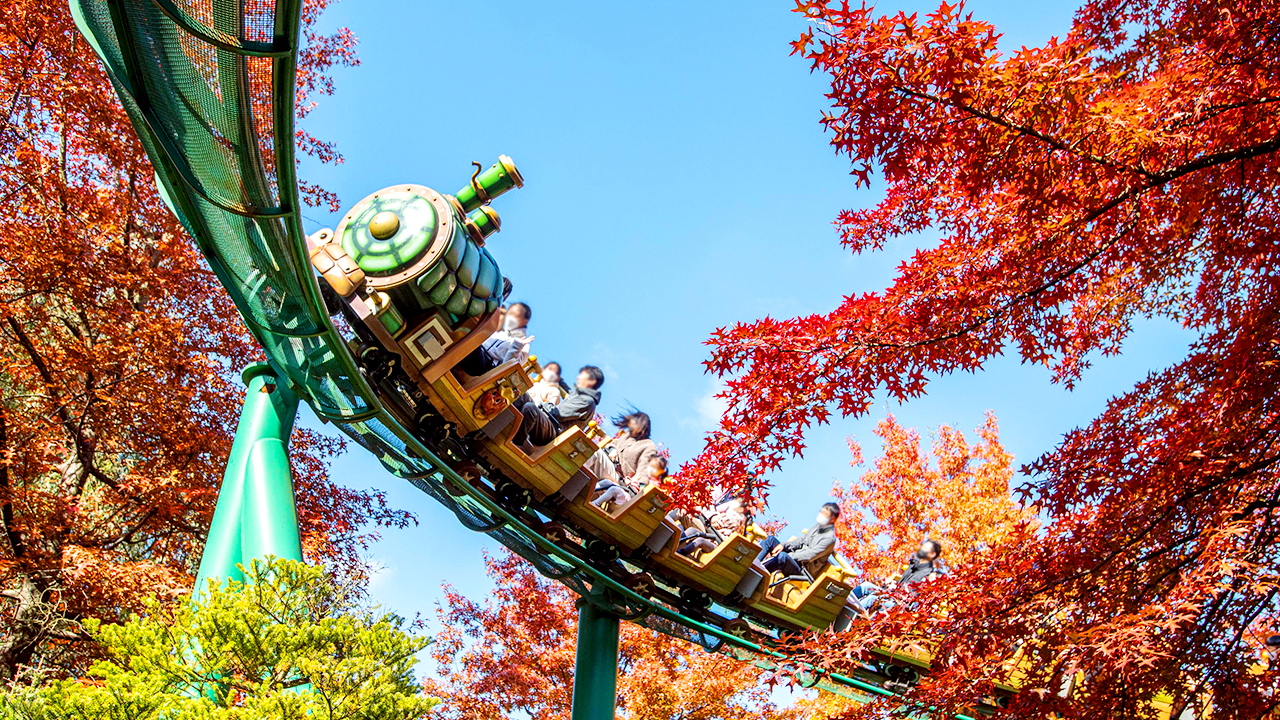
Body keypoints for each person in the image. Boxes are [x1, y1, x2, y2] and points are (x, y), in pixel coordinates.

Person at [512, 365, 604, 447]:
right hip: (550, 421)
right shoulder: (583, 396)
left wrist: (542, 403)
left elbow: (557, 414)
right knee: (522, 395)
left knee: (530, 408)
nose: (578, 377)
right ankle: (504, 420)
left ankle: (515, 443)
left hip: (553, 433)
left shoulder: (587, 401)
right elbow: (567, 391)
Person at [853, 539, 943, 610]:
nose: (921, 549)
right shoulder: (912, 567)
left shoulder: (929, 575)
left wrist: (901, 596)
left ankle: (849, 619)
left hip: (903, 606)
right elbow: (900, 586)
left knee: (872, 599)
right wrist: (891, 586)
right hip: (893, 597)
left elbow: (917, 599)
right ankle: (844, 603)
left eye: (925, 548)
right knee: (866, 586)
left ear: (932, 554)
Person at [758, 502, 840, 578]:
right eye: (821, 512)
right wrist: (783, 546)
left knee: (782, 557)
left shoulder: (829, 539)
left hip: (802, 570)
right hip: (794, 557)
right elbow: (801, 540)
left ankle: (758, 575)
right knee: (770, 540)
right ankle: (753, 565)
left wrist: (789, 556)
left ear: (832, 519)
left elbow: (810, 555)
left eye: (825, 514)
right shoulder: (818, 526)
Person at [457, 302, 533, 376]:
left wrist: (517, 346)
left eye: (515, 315)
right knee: (466, 330)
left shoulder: (523, 345)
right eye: (509, 313)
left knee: (471, 341)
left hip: (485, 367)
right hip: (477, 351)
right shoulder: (499, 332)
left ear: (525, 321)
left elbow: (508, 369)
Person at [678, 497, 748, 555]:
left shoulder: (741, 522)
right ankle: (674, 542)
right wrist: (713, 516)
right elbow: (714, 511)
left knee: (700, 541)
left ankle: (680, 553)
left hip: (719, 545)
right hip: (713, 536)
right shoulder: (730, 508)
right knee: (692, 530)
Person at [593, 455, 667, 508]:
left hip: (631, 499)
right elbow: (631, 481)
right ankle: (591, 491)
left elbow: (642, 493)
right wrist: (628, 480)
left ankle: (596, 504)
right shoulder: (642, 474)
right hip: (626, 491)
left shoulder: (655, 483)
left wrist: (633, 484)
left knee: (613, 489)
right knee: (607, 482)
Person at [605, 410, 658, 482]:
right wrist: (612, 449)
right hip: (608, 464)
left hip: (621, 479)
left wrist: (635, 482)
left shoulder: (648, 445)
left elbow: (643, 471)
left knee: (596, 455)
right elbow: (613, 443)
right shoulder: (627, 435)